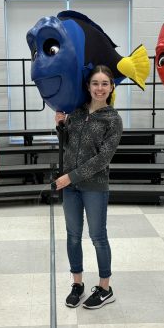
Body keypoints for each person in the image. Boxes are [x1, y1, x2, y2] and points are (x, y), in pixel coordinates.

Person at [54, 65, 123, 310]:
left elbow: (102, 158)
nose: (100, 88)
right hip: (71, 187)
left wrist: (69, 177)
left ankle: (105, 288)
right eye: (95, 83)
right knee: (73, 236)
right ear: (88, 86)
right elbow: (68, 145)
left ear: (111, 87)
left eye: (105, 83)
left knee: (98, 237)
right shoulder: (77, 111)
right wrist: (61, 126)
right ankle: (77, 284)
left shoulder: (113, 119)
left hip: (94, 186)